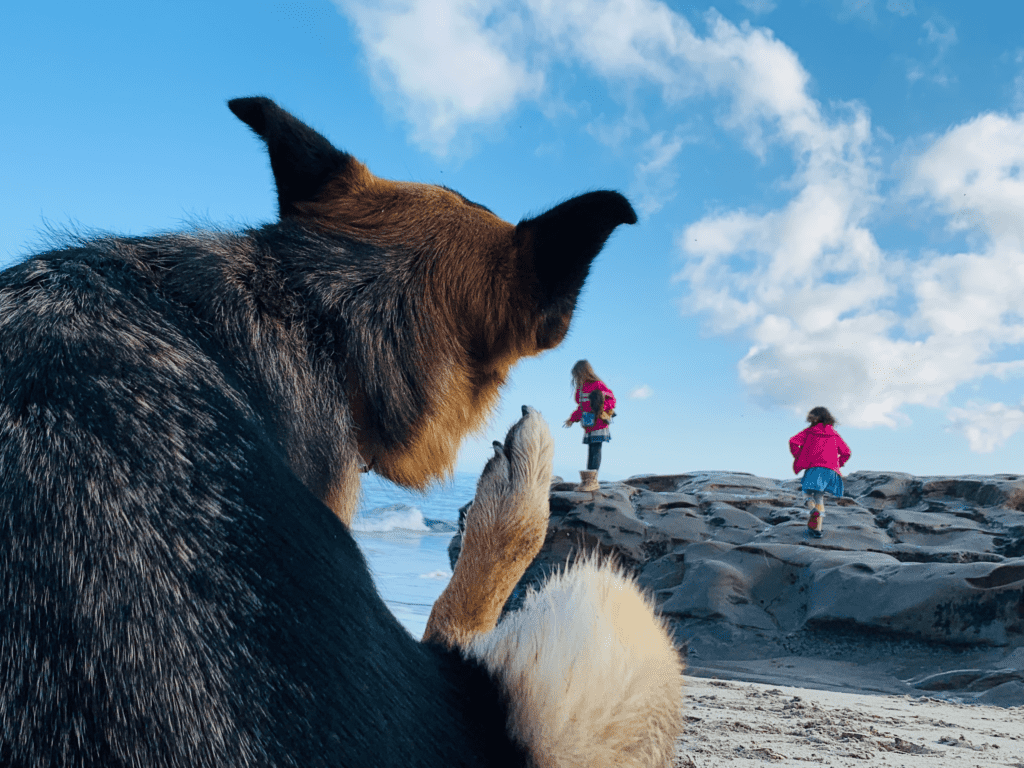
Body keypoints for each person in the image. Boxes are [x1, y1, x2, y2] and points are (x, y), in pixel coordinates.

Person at [789, 407, 850, 538]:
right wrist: (838, 464)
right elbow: (846, 452)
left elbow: (793, 441)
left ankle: (812, 510)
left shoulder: (809, 431)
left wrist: (799, 456)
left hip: (814, 468)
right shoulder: (834, 434)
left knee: (806, 493)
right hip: (830, 471)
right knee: (819, 497)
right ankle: (817, 529)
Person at [563, 360, 615, 491]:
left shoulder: (597, 385)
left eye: (578, 375)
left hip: (599, 422)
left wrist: (603, 408)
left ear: (584, 372)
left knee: (595, 449)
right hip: (588, 422)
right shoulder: (580, 390)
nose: (576, 378)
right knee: (591, 450)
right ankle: (588, 479)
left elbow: (611, 399)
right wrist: (572, 419)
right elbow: (581, 408)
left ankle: (592, 480)